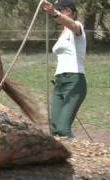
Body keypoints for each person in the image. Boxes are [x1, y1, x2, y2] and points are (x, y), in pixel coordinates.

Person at [41, 0, 87, 138]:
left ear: (70, 12)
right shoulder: (62, 35)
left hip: (74, 81)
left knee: (63, 129)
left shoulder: (77, 27)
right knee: (55, 128)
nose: (60, 13)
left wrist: (54, 13)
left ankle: (78, 156)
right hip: (60, 82)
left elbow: (71, 24)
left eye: (62, 10)